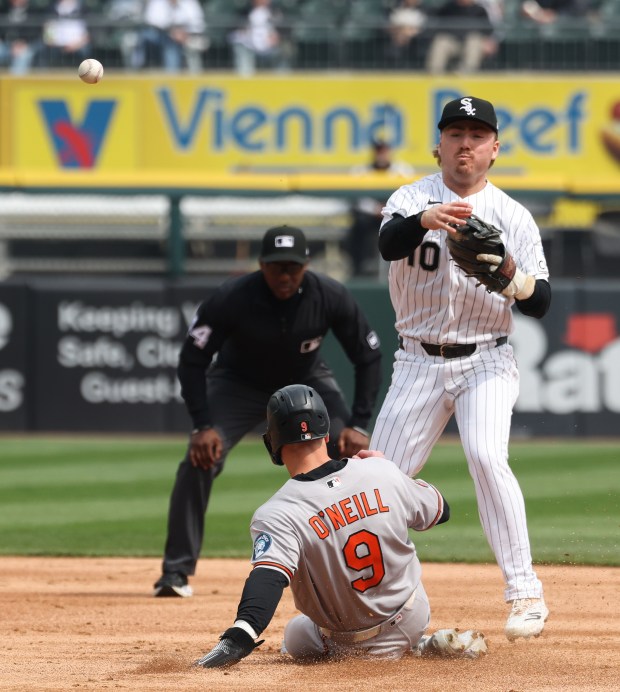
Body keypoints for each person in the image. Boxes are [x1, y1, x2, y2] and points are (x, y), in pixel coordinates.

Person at [370, 95, 551, 642]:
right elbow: (386, 243)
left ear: (494, 149)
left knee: (484, 453)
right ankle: (370, 603)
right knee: (376, 484)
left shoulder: (513, 216)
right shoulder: (408, 197)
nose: (465, 143)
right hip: (417, 362)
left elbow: (540, 300)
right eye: (455, 133)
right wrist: (423, 219)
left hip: (486, 359)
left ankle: (525, 595)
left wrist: (513, 279)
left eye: (477, 135)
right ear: (439, 145)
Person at [153, 226, 383, 598]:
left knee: (351, 455)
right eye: (277, 267)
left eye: (293, 266)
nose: (285, 275)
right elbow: (192, 358)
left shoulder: (329, 294)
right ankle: (175, 572)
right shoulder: (233, 296)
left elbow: (368, 355)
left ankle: (357, 563)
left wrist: (358, 422)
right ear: (261, 265)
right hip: (238, 384)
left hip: (306, 380)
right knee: (199, 460)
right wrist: (202, 425)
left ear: (307, 264)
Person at [194, 384, 488, 667]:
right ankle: (418, 644)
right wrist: (391, 473)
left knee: (295, 635)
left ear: (272, 443)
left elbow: (268, 580)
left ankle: (407, 648)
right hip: (413, 615)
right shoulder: (379, 470)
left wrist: (239, 637)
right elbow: (441, 511)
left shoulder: (277, 512)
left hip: (349, 644)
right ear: (326, 433)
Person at [344, 139, 414, 278]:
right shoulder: (360, 171)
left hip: (396, 214)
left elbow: (410, 196)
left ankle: (405, 270)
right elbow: (357, 199)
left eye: (384, 150)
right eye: (378, 150)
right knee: (358, 225)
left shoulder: (403, 170)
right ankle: (359, 269)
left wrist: (389, 209)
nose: (381, 154)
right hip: (371, 216)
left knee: (411, 225)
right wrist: (376, 209)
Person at [130, 0, 207, 73]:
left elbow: (198, 24)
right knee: (142, 37)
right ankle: (136, 70)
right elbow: (151, 20)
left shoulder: (190, 2)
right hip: (159, 33)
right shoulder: (158, 2)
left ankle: (172, 75)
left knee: (171, 44)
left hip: (188, 35)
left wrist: (184, 33)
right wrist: (172, 31)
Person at [425, 0, 498, 74]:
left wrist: (488, 41)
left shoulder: (479, 10)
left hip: (471, 44)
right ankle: (434, 75)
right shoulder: (449, 7)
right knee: (441, 41)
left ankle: (465, 75)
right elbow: (434, 17)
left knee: (474, 41)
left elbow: (488, 30)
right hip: (452, 42)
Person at [229, 0, 288, 77]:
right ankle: (245, 79)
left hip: (272, 47)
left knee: (285, 50)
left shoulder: (276, 11)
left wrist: (277, 37)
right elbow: (233, 30)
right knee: (240, 48)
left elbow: (286, 29)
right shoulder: (244, 11)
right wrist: (243, 32)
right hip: (249, 46)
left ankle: (282, 81)